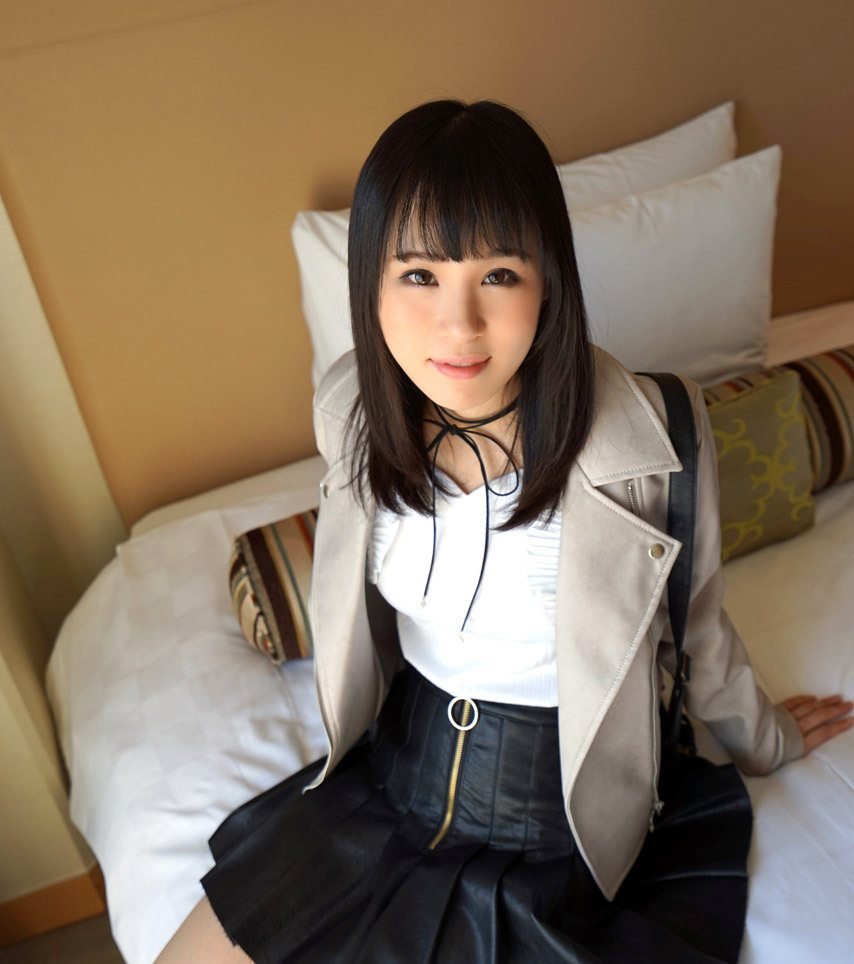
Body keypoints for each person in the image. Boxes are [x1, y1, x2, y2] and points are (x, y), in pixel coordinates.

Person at [156, 99, 853, 964]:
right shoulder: (348, 410)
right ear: (369, 282)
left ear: (548, 278)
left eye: (498, 274)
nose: (460, 326)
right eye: (419, 275)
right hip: (392, 772)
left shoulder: (654, 436)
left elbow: (697, 626)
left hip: (559, 812)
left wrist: (768, 738)